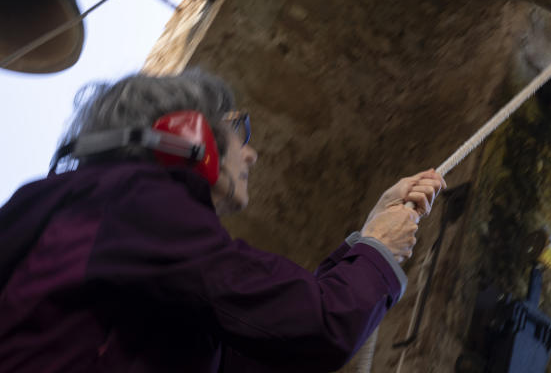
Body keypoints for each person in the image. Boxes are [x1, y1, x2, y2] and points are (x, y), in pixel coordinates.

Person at [0, 70, 445, 372]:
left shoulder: (84, 208)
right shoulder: (141, 205)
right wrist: (377, 251)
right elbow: (319, 326)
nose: (251, 153)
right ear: (185, 134)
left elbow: (264, 346)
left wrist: (364, 245)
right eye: (240, 132)